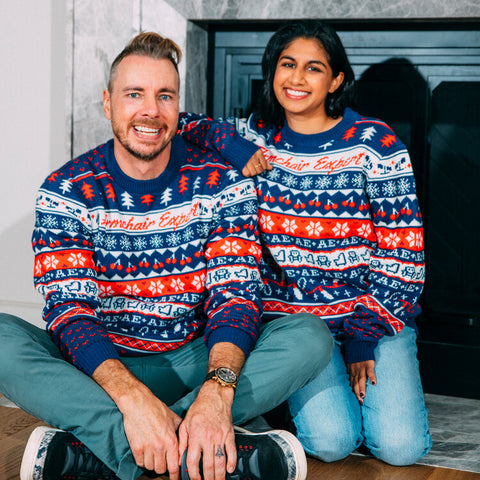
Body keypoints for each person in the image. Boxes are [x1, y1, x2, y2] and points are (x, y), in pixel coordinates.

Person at [0, 32, 334, 480]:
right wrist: (132, 399)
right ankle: (194, 450)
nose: (150, 111)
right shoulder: (67, 189)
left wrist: (216, 391)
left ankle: (111, 449)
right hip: (100, 367)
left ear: (179, 106)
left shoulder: (221, 183)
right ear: (108, 103)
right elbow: (69, 311)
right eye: (133, 94)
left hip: (192, 360)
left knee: (309, 337)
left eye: (165, 96)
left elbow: (234, 297)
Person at [178, 20, 432, 466]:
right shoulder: (255, 137)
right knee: (333, 444)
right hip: (297, 329)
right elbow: (176, 123)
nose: (296, 78)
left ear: (336, 80)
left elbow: (404, 256)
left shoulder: (376, 144)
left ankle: (276, 406)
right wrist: (231, 145)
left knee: (401, 448)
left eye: (313, 68)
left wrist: (362, 337)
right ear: (271, 71)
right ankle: (281, 403)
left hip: (371, 318)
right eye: (287, 64)